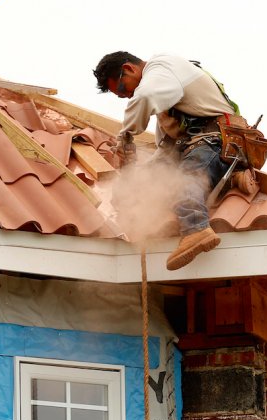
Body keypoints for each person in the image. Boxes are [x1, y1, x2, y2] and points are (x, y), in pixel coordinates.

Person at [93, 51, 256, 270]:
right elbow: (165, 151)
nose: (130, 95)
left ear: (129, 69)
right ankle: (227, 180)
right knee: (134, 187)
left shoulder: (161, 68)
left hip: (216, 141)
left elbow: (143, 97)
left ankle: (197, 230)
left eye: (124, 90)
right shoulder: (165, 93)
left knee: (185, 180)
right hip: (190, 146)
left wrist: (126, 135)